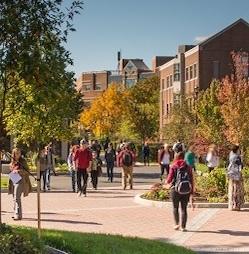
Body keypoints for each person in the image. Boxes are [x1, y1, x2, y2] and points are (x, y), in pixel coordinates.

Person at [165, 152, 194, 231]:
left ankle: (177, 224)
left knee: (175, 207)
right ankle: (183, 227)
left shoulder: (173, 166)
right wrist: (191, 192)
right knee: (184, 209)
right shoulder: (188, 167)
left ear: (176, 157)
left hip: (175, 189)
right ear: (184, 157)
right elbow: (191, 180)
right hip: (186, 190)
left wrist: (166, 182)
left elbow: (169, 179)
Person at [8, 148, 32, 220]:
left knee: (17, 197)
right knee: (14, 197)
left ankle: (18, 215)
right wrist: (12, 169)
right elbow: (11, 169)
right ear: (14, 154)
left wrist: (18, 171)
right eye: (16, 153)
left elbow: (27, 171)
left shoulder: (23, 161)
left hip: (21, 181)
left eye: (19, 153)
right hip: (14, 179)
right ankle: (15, 212)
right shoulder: (13, 161)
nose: (18, 154)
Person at [227, 145, 244, 211]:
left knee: (231, 188)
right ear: (237, 150)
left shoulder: (231, 155)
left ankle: (231, 205)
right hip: (236, 174)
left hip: (230, 173)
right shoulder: (237, 157)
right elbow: (240, 166)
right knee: (237, 189)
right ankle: (236, 205)